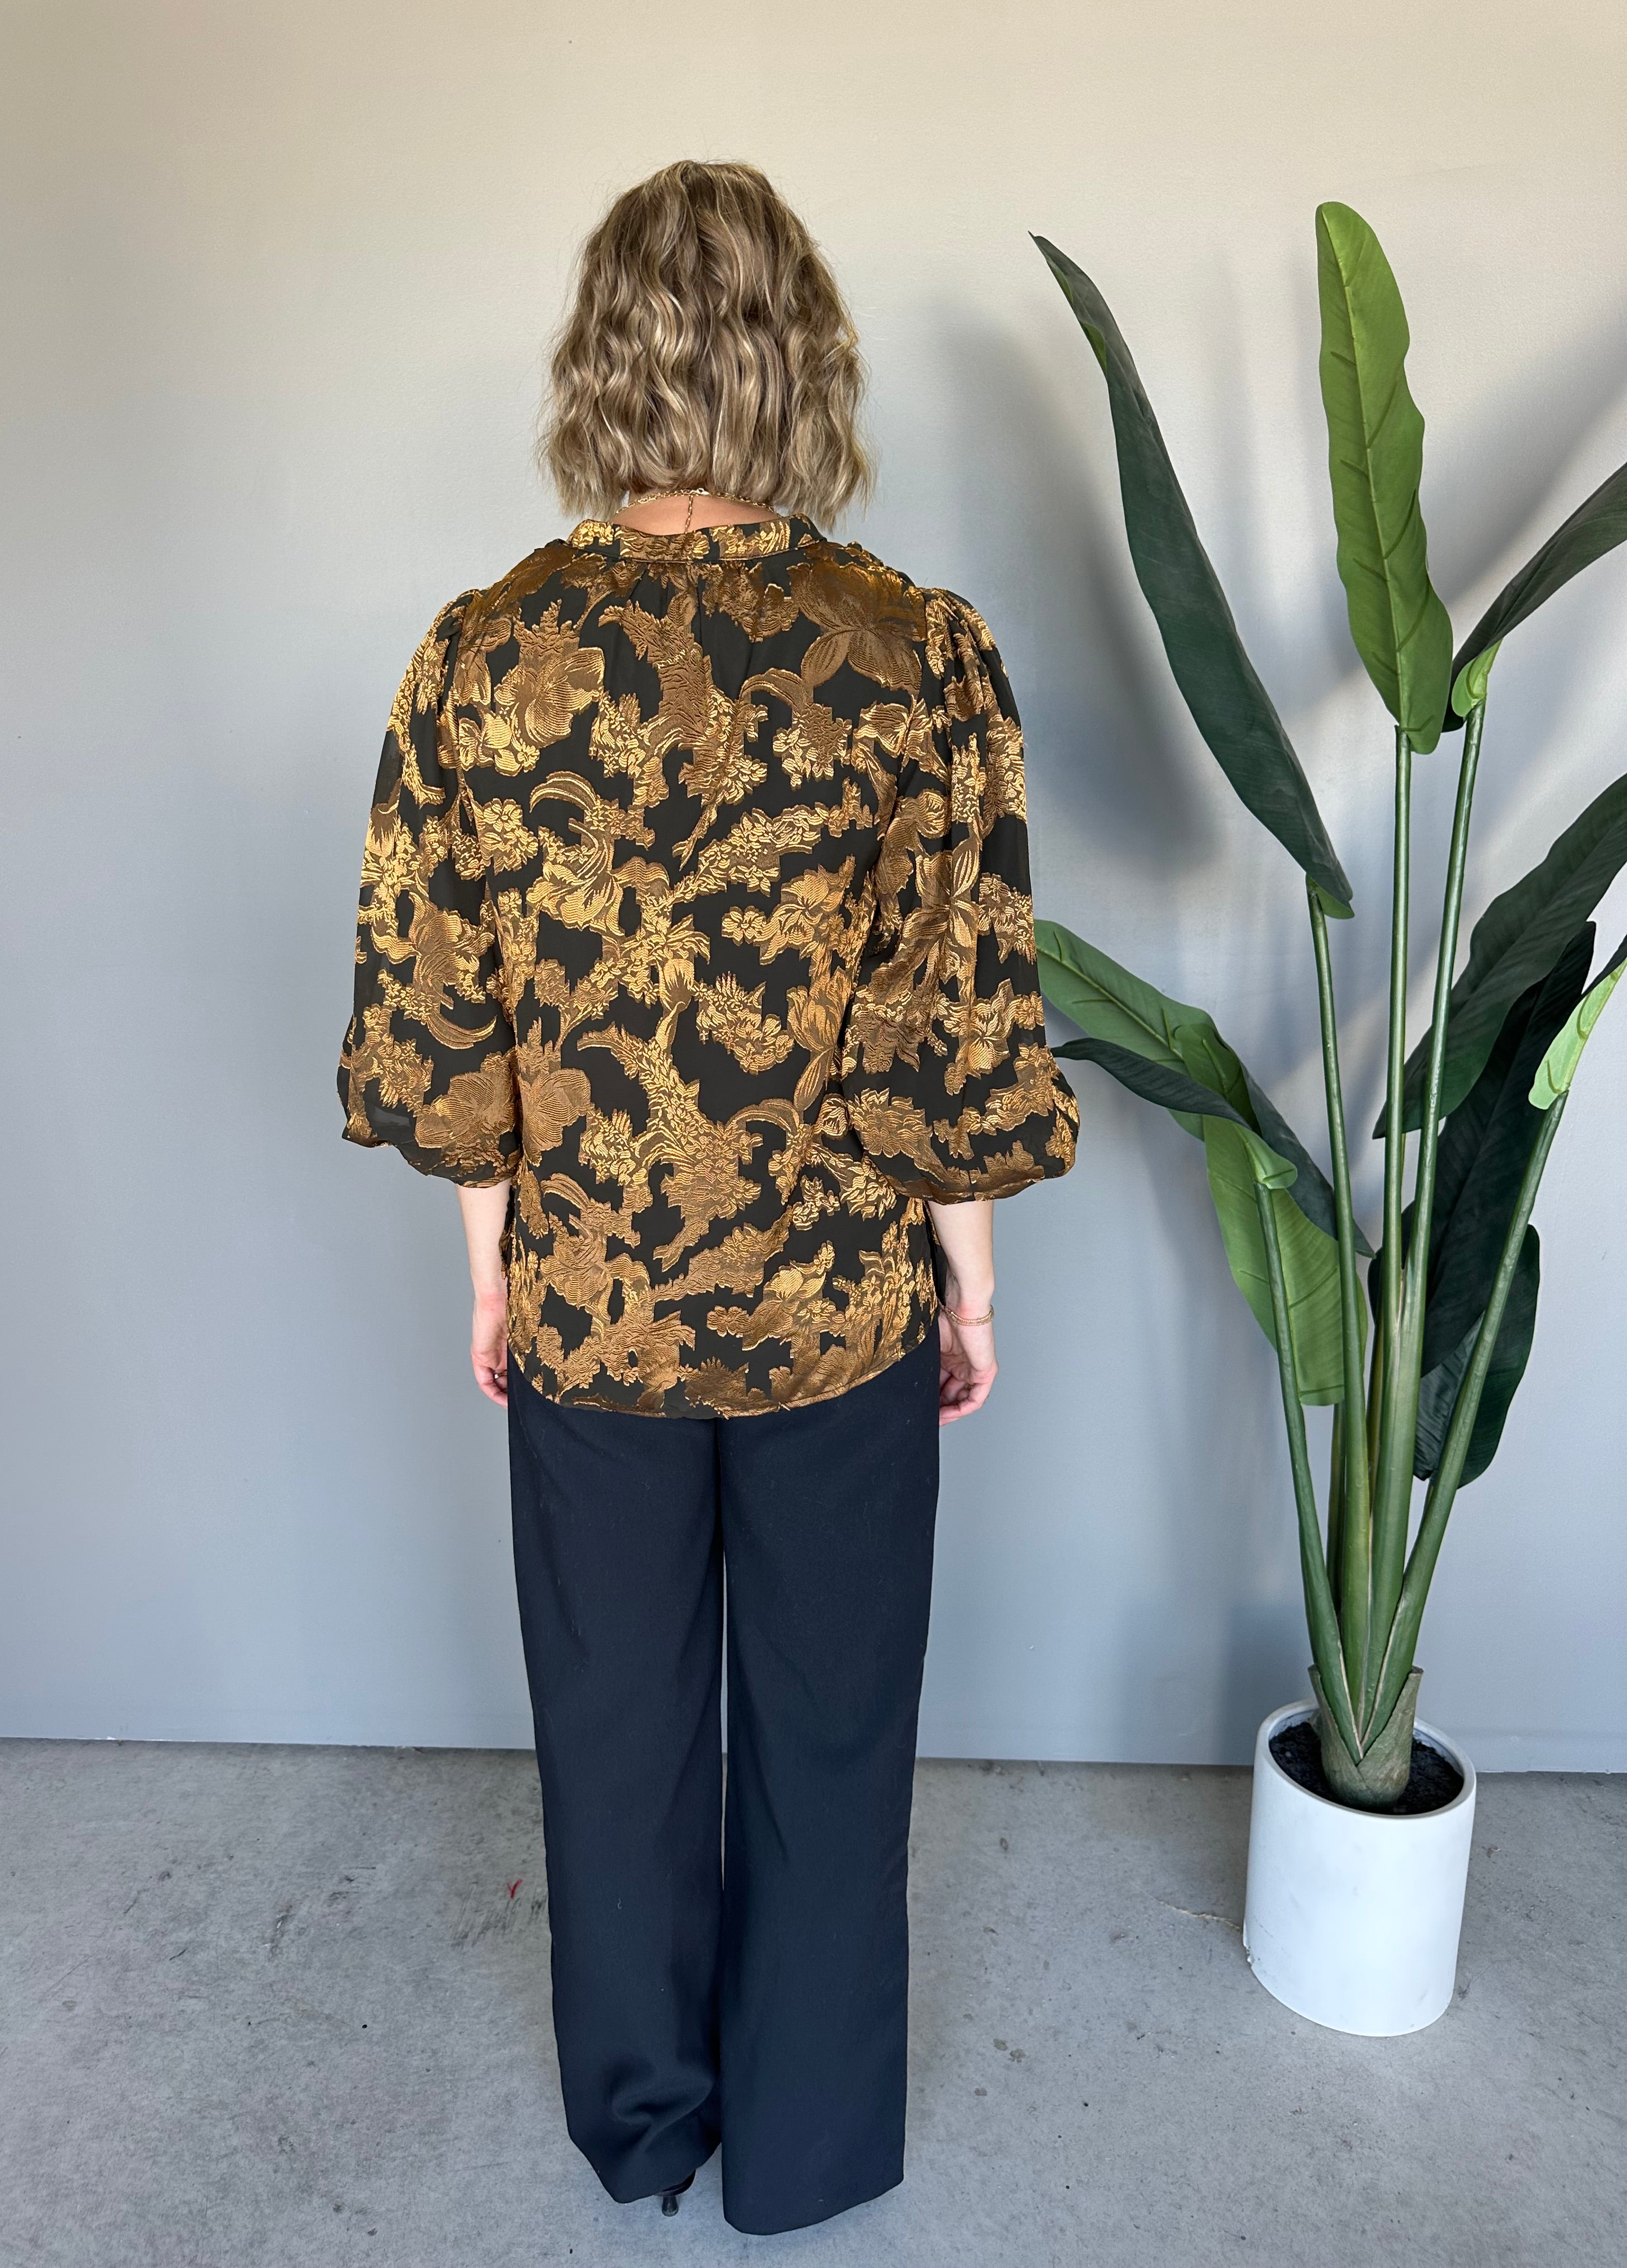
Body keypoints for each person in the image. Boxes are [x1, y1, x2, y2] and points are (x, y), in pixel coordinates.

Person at [337, 158, 1078, 2236]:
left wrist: (491, 1277)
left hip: (591, 1305)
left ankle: (645, 2122)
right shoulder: (915, 654)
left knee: (614, 1733)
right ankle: (813, 2148)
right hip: (839, 1306)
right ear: (801, 363)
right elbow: (959, 1028)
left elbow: (442, 1024)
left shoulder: (482, 657)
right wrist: (972, 1290)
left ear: (601, 365)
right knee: (832, 1738)